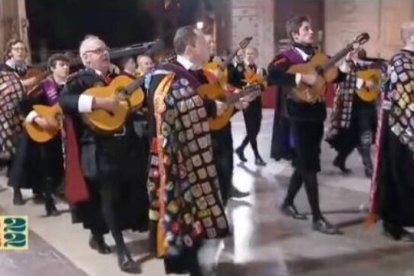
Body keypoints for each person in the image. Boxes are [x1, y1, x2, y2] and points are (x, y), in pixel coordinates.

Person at [143, 25, 230, 275]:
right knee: (176, 221)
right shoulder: (164, 76)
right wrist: (212, 107)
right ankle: (179, 268)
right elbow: (172, 108)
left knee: (198, 220)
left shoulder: (202, 75)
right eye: (204, 43)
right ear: (191, 48)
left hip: (200, 158)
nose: (209, 47)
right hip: (174, 164)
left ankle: (194, 265)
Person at [59, 35, 148, 272]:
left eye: (105, 49)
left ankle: (97, 234)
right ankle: (122, 251)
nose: (105, 53)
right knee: (107, 195)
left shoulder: (120, 78)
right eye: (99, 51)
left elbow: (140, 99)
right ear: (86, 58)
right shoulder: (78, 80)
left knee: (120, 195)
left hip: (125, 148)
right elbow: (65, 102)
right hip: (95, 149)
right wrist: (99, 104)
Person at [268, 15, 349, 235]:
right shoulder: (286, 57)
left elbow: (337, 77)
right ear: (295, 35)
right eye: (305, 29)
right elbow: (272, 74)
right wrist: (301, 79)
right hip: (297, 117)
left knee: (304, 163)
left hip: (316, 115)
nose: (311, 32)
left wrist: (345, 67)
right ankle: (317, 217)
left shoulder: (319, 57)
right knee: (310, 167)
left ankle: (287, 203)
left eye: (310, 28)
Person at [368, 21, 414, 241]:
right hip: (399, 127)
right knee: (398, 174)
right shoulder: (400, 61)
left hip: (408, 125)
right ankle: (392, 223)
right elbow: (405, 95)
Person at [9, 54, 69, 213]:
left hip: (55, 132)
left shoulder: (70, 86)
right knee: (30, 164)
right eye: (61, 64)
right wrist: (37, 119)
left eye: (66, 64)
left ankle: (53, 198)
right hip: (37, 131)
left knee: (54, 167)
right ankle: (21, 191)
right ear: (52, 69)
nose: (65, 67)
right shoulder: (44, 86)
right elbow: (23, 104)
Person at [326, 48, 381, 177]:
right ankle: (340, 160)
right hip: (348, 107)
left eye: (359, 53)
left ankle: (369, 167)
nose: (357, 54)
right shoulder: (345, 67)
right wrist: (362, 82)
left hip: (366, 107)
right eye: (355, 53)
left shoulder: (372, 67)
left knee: (365, 135)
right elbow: (341, 81)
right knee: (350, 137)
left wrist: (376, 84)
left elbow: (381, 83)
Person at [233, 46, 267, 166]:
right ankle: (257, 156)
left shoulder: (260, 70)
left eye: (251, 53)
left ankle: (241, 148)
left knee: (255, 130)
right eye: (247, 53)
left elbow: (264, 87)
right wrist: (251, 88)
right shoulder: (241, 69)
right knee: (251, 130)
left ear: (256, 56)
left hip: (257, 103)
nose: (249, 55)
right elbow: (238, 87)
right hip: (247, 104)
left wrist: (255, 87)